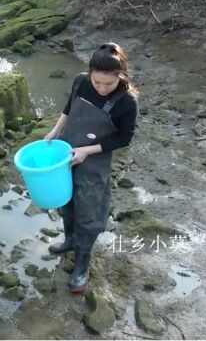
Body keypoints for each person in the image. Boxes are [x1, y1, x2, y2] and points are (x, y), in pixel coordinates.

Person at [44, 42, 139, 293]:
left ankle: (82, 264)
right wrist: (55, 131)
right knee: (66, 201)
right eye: (97, 82)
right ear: (90, 73)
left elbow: (123, 138)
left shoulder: (127, 102)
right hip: (66, 152)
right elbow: (69, 107)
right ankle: (70, 240)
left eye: (109, 83)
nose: (102, 88)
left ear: (121, 75)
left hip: (94, 161)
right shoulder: (81, 81)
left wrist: (87, 151)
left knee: (88, 209)